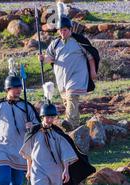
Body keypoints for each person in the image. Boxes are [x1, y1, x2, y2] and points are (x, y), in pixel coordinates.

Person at [19, 82, 79, 185]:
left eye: (52, 117)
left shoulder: (58, 135)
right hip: (38, 172)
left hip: (55, 172)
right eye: (47, 117)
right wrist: (29, 170)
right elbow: (28, 153)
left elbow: (66, 154)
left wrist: (66, 170)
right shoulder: (34, 133)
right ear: (42, 117)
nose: (50, 119)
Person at [38, 2, 97, 131]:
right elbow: (50, 58)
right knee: (68, 101)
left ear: (70, 30)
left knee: (71, 96)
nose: (63, 32)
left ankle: (69, 121)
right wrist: (43, 58)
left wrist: (92, 71)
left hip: (78, 75)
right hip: (62, 77)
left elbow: (91, 55)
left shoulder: (78, 41)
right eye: (61, 30)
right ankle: (75, 126)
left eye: (65, 30)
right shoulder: (55, 43)